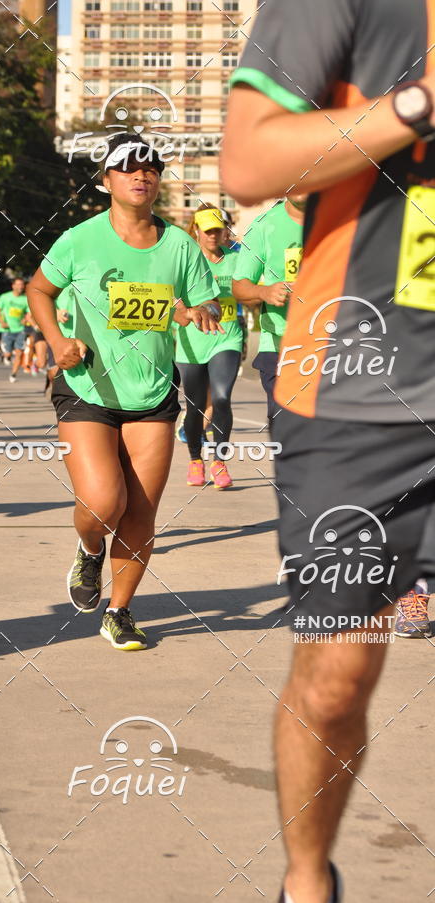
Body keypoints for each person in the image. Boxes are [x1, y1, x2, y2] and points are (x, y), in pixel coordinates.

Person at [222, 2, 435, 901]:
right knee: (337, 673)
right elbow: (249, 161)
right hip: (358, 394)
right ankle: (308, 881)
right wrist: (417, 105)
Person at [27, 133, 222, 651]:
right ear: (107, 179)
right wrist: (55, 340)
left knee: (139, 511)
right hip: (87, 387)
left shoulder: (180, 244)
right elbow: (38, 288)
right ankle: (89, 549)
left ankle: (119, 611)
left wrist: (200, 311)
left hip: (152, 394)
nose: (142, 175)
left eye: (151, 168)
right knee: (101, 503)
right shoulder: (80, 239)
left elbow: (208, 302)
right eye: (129, 168)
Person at [175, 205, 242, 489]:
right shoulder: (184, 262)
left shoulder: (237, 260)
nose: (214, 235)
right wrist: (187, 311)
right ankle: (195, 460)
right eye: (208, 230)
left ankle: (219, 461)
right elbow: (172, 299)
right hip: (191, 340)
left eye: (218, 229)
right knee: (194, 406)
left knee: (222, 397)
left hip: (227, 337)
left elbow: (252, 286)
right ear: (197, 232)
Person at [232, 195, 306, 421]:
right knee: (287, 428)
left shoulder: (341, 218)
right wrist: (264, 292)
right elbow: (240, 286)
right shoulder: (265, 225)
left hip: (334, 347)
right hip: (279, 347)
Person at [0, 277, 29, 383]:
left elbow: (29, 312)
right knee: (8, 354)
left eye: (22, 285)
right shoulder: (5, 297)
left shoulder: (25, 299)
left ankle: (13, 374)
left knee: (19, 353)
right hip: (7, 329)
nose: (20, 287)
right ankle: (6, 355)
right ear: (13, 286)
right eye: (18, 284)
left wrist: (25, 319)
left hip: (20, 329)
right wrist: (1, 322)